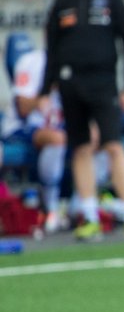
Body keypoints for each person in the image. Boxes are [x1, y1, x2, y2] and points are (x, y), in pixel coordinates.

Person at [40, 0, 124, 241]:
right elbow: (52, 50)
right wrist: (46, 91)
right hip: (71, 84)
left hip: (104, 83)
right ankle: (88, 215)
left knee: (114, 144)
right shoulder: (61, 2)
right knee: (81, 148)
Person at [6, 47, 67, 233]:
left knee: (94, 136)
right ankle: (52, 206)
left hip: (59, 125)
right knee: (57, 139)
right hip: (23, 127)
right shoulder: (31, 61)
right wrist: (47, 91)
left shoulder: (75, 60)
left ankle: (84, 207)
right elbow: (23, 108)